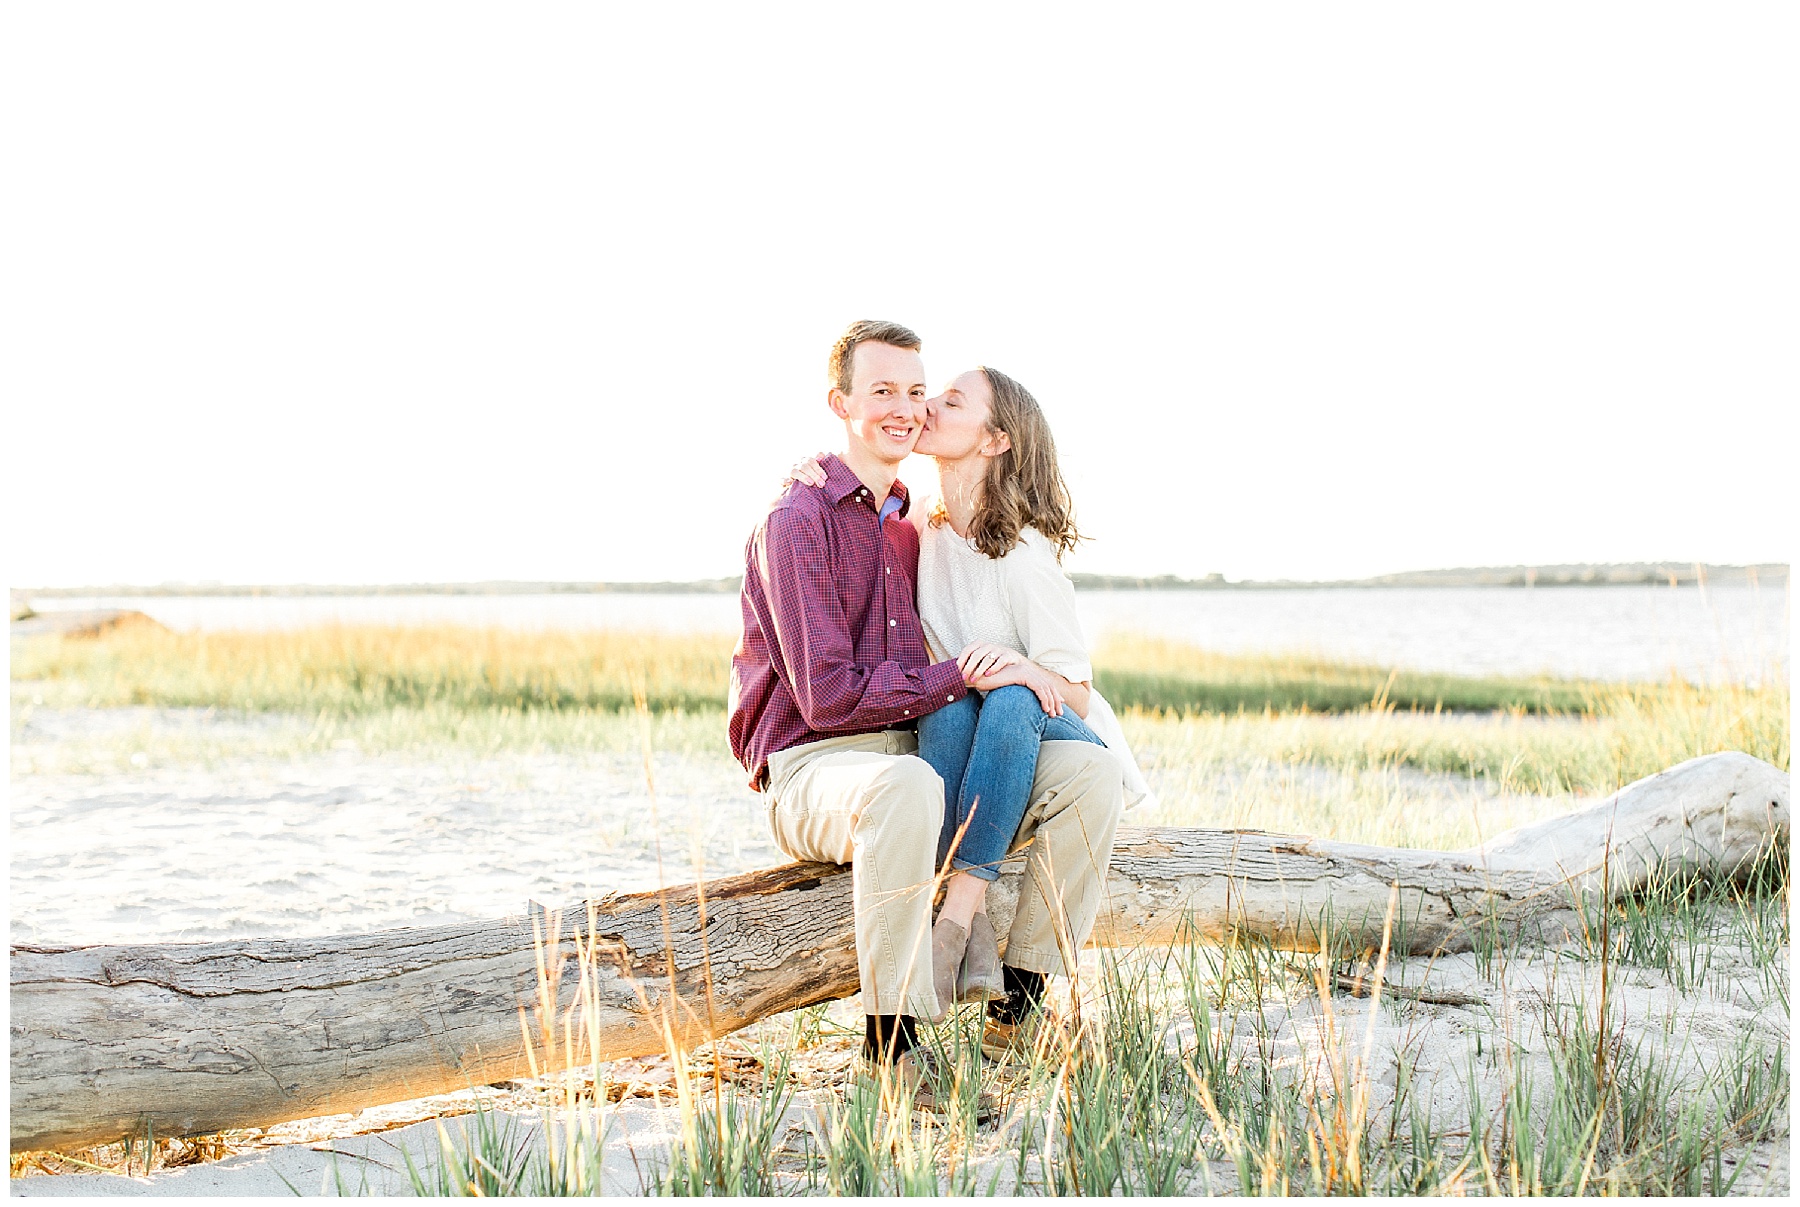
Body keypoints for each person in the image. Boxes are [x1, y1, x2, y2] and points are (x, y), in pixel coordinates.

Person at [729, 320, 1124, 1099]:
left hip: (912, 746)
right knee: (910, 786)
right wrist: (959, 677)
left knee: (1092, 776)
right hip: (812, 766)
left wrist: (980, 685)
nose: (906, 408)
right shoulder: (796, 521)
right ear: (841, 404)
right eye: (882, 390)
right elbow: (827, 696)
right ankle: (892, 1046)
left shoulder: (909, 522)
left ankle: (1019, 1006)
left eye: (917, 390)